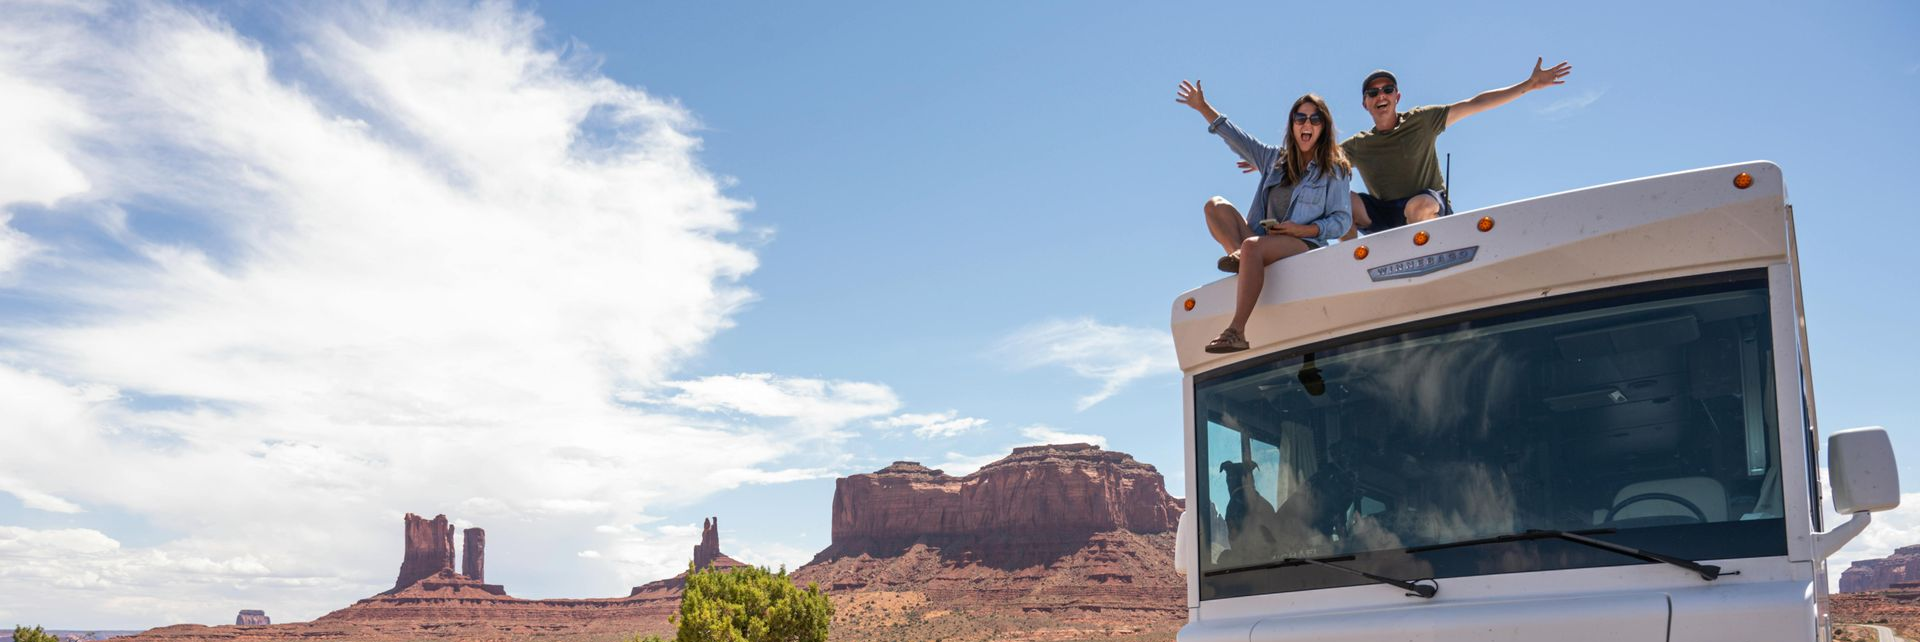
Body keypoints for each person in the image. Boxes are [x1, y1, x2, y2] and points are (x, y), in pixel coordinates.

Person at [1176, 80, 1353, 354]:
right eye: (1300, 117)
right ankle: (1240, 258)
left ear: (1323, 126)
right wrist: (1202, 107)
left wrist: (1302, 229)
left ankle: (1236, 330)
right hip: (1262, 241)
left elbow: (1341, 220)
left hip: (1302, 244)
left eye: (1315, 119)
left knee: (1253, 246)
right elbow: (1236, 138)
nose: (1307, 123)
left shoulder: (1335, 169)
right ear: (1292, 124)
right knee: (1214, 205)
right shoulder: (1273, 160)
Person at [1339, 58, 1574, 236]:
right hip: (1386, 213)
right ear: (1365, 103)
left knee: (1416, 207)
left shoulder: (1421, 121)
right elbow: (1316, 161)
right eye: (1373, 92)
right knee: (1339, 197)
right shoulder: (1358, 145)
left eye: (1387, 90)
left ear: (1397, 97)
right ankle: (1350, 263)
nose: (1381, 95)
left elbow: (1474, 103)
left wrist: (1529, 85)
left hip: (1426, 205)